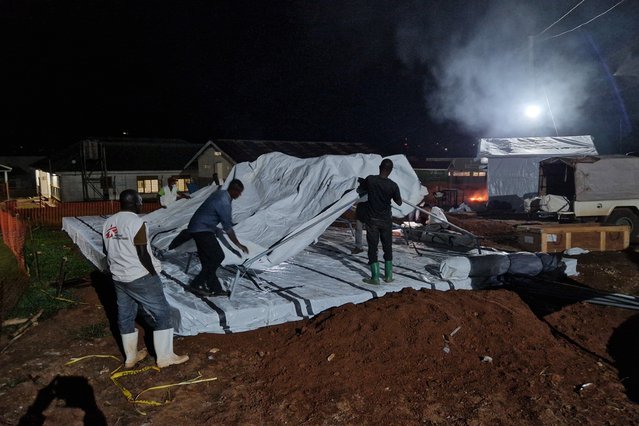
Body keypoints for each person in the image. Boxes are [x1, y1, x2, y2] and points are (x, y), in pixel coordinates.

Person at [102, 189, 189, 369]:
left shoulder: (109, 222)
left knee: (125, 316)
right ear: (135, 203)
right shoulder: (137, 222)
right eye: (140, 201)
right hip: (139, 276)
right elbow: (142, 252)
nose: (141, 204)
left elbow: (106, 250)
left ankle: (131, 357)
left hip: (119, 277)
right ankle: (165, 357)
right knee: (163, 312)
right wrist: (152, 273)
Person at [187, 179, 249, 297]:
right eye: (239, 192)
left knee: (207, 262)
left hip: (196, 227)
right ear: (233, 190)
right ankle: (195, 285)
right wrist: (239, 245)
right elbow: (228, 228)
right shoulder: (224, 201)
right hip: (202, 230)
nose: (239, 195)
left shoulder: (220, 193)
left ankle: (215, 288)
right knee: (218, 256)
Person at [358, 159, 402, 284]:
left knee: (372, 248)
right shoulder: (393, 185)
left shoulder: (371, 180)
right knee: (387, 247)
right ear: (390, 171)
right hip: (386, 220)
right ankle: (388, 276)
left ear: (379, 167)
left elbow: (361, 189)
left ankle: (375, 277)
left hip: (372, 220)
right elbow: (399, 202)